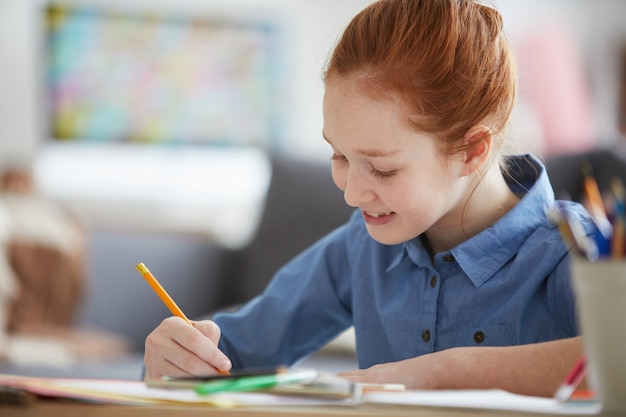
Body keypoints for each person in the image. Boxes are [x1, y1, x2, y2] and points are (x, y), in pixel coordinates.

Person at [144, 0, 595, 397]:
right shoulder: (361, 249)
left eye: (382, 168)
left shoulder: (571, 254)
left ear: (472, 150)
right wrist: (179, 356)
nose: (352, 192)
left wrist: (445, 373)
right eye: (338, 155)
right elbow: (234, 353)